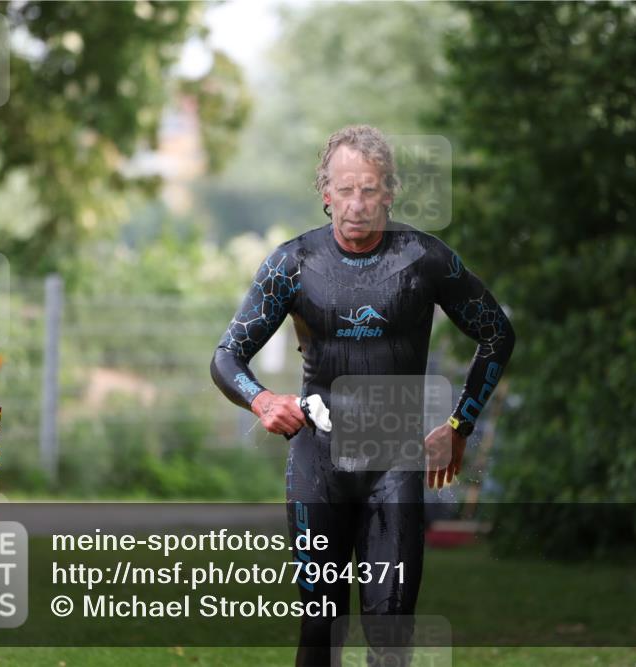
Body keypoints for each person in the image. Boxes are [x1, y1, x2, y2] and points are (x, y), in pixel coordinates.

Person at [210, 125, 514, 667]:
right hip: (318, 460)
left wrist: (460, 425)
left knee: (391, 636)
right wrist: (262, 401)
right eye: (344, 190)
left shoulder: (424, 259)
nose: (356, 205)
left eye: (369, 190)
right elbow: (226, 357)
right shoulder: (293, 263)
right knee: (320, 630)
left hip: (393, 462)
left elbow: (498, 334)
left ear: (389, 191)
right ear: (324, 191)